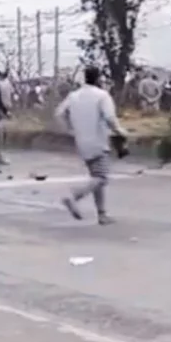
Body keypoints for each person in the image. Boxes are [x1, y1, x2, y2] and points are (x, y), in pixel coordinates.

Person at [54, 66, 127, 225]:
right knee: (102, 177)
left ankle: (102, 214)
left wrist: (69, 129)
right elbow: (109, 118)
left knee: (96, 177)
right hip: (98, 141)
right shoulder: (102, 95)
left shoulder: (74, 96)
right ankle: (75, 196)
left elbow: (59, 113)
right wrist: (120, 131)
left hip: (81, 141)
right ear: (99, 78)